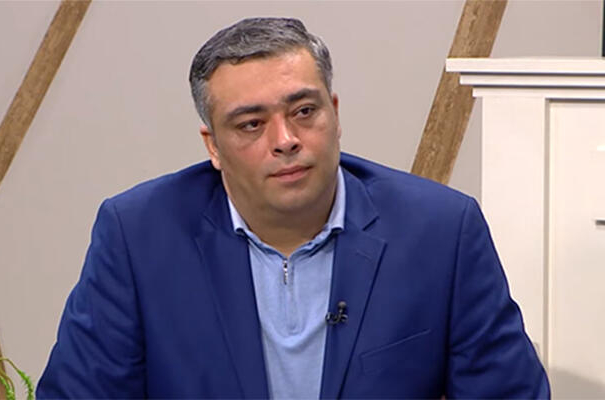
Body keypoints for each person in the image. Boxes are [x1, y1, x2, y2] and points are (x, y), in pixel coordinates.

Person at [37, 17, 549, 398]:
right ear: (213, 145)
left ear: (335, 114)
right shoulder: (138, 236)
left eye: (304, 111)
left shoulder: (440, 231)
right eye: (251, 124)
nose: (285, 139)